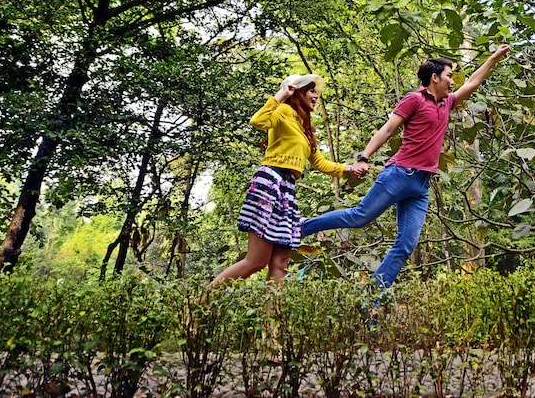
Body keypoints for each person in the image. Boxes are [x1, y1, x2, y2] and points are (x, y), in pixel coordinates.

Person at [301, 44, 510, 292]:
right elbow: (388, 130)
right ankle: (300, 228)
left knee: (406, 244)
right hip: (399, 174)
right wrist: (363, 157)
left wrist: (494, 58)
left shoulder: (447, 103)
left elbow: (473, 83)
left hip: (421, 185)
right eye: (449, 76)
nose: (452, 82)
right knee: (359, 217)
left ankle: (373, 296)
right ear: (435, 77)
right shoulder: (414, 99)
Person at [212, 74, 362, 284]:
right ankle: (202, 302)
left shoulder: (305, 128)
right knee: (256, 260)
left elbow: (319, 163)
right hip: (270, 182)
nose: (316, 96)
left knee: (281, 261)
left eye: (316, 92)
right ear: (298, 92)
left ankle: (273, 316)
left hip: (287, 190)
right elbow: (257, 121)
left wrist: (348, 169)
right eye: (311, 91)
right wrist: (282, 94)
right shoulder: (284, 111)